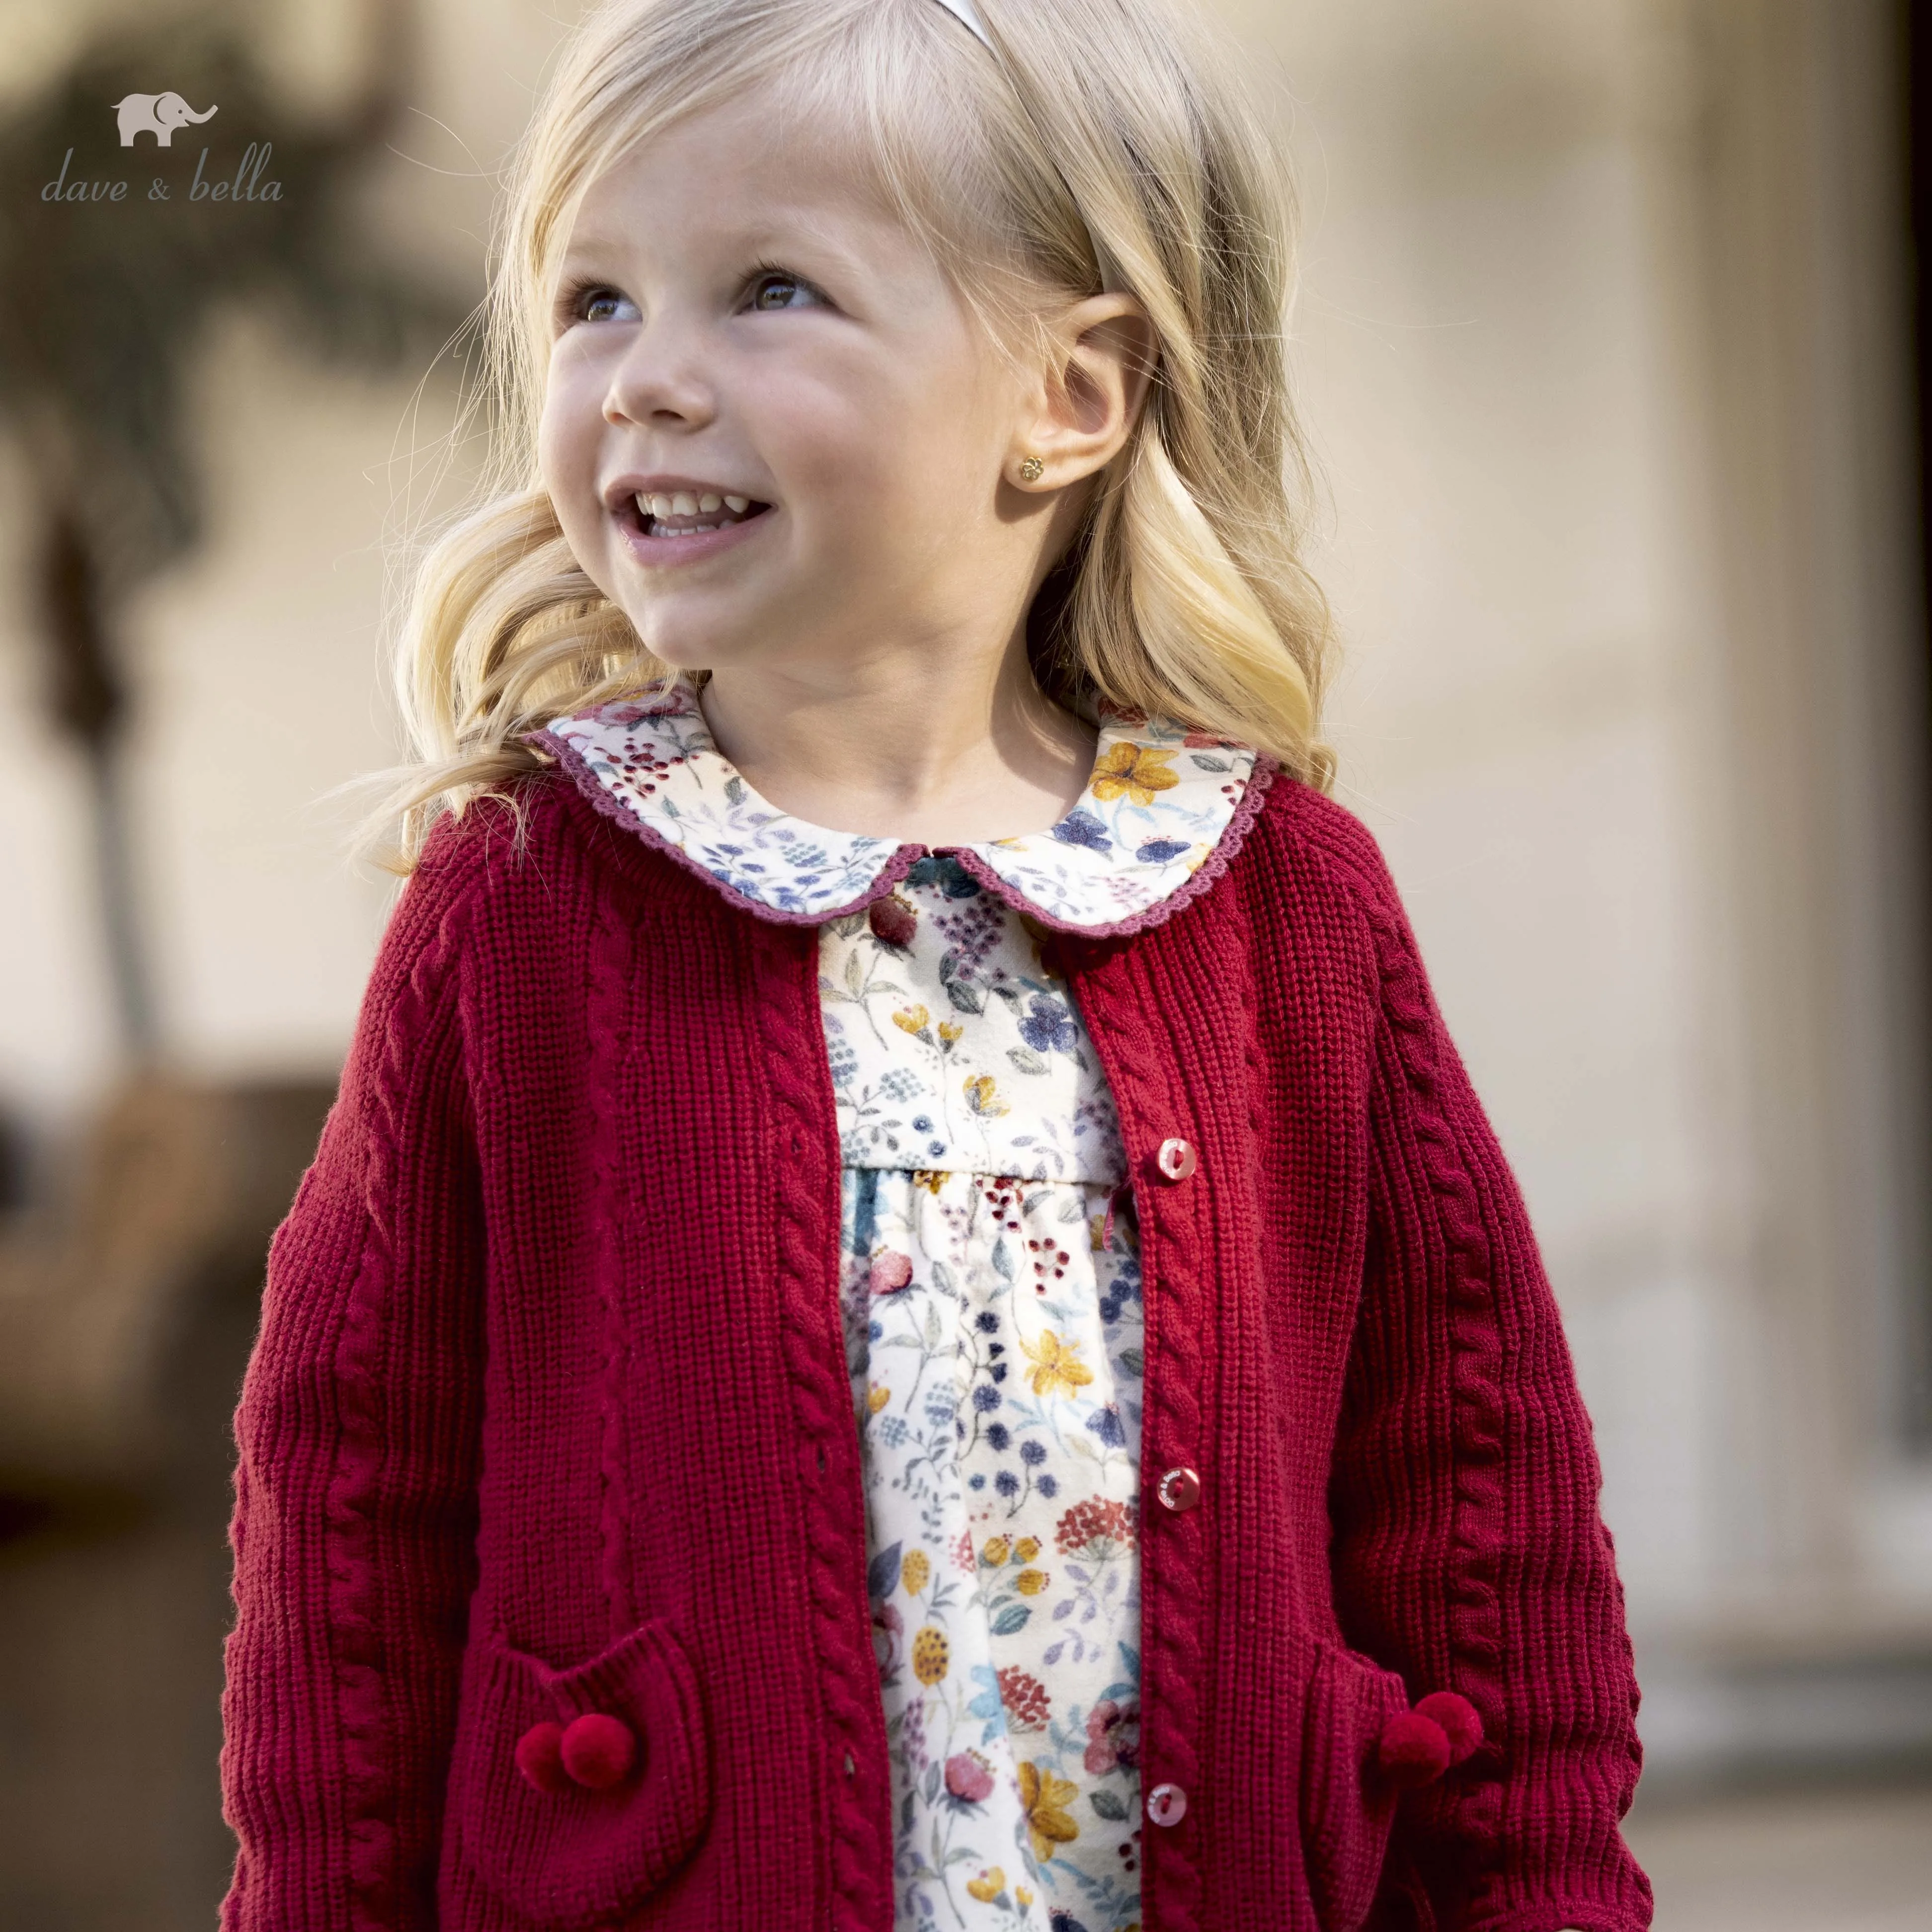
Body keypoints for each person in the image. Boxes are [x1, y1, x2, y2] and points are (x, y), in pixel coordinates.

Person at [217, 0, 1652, 1927]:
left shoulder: (1278, 904)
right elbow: (352, 1524)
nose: (644, 379)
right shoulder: (528, 906)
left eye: (769, 290)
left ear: (1072, 394)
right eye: (594, 303)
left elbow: (1479, 1502)